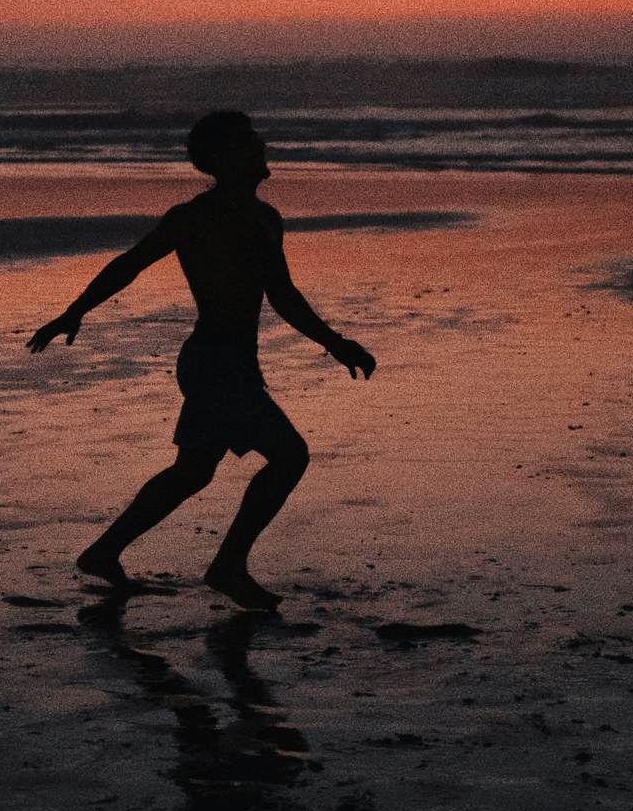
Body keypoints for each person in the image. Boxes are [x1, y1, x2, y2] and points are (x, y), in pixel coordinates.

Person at [28, 111, 374, 610]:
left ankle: (103, 552)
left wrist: (335, 343)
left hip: (230, 363)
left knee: (192, 471)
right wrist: (73, 312)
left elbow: (282, 294)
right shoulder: (193, 217)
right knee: (289, 455)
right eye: (250, 144)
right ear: (222, 158)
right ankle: (228, 565)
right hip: (215, 366)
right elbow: (130, 264)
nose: (262, 150)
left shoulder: (265, 218)